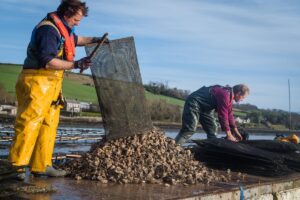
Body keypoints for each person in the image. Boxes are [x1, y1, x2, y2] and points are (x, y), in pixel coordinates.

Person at [9, 0, 108, 179]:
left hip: (52, 85)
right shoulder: (48, 30)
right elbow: (47, 61)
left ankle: (42, 165)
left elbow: (77, 40)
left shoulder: (64, 29)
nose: (78, 23)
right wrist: (76, 64)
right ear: (66, 14)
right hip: (37, 80)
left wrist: (96, 40)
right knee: (29, 123)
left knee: (49, 124)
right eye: (77, 19)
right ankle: (17, 166)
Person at [175, 84, 249, 145]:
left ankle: (210, 148)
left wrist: (236, 131)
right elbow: (223, 116)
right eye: (243, 97)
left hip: (206, 108)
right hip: (194, 102)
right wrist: (229, 135)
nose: (242, 100)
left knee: (213, 129)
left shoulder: (229, 96)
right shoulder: (225, 95)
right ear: (238, 93)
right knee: (189, 129)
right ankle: (174, 147)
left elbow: (229, 115)